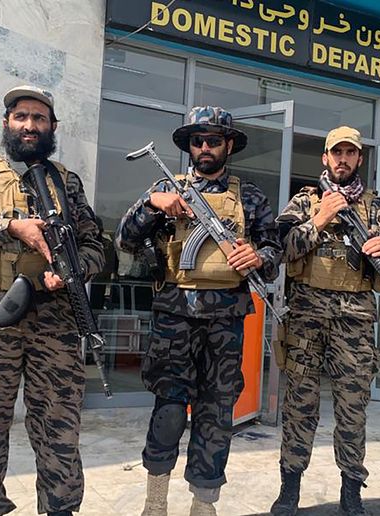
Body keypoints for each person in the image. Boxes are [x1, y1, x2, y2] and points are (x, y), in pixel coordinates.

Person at [0, 85, 104, 516]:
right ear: (7, 123)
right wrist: (9, 228)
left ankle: (61, 507)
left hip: (56, 318)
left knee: (60, 427)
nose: (30, 125)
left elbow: (98, 244)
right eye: (21, 117)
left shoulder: (67, 182)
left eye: (39, 119)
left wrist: (73, 269)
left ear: (52, 127)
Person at [116, 106, 281, 515]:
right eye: (197, 140)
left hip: (225, 322)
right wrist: (153, 204)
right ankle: (156, 501)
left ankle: (203, 502)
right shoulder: (167, 187)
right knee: (169, 410)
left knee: (217, 413)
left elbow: (276, 251)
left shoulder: (251, 197)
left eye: (213, 140)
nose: (204, 147)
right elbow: (124, 239)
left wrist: (257, 256)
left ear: (228, 145)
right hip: (174, 318)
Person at [270, 126, 380, 515]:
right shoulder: (304, 201)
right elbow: (279, 249)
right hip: (306, 318)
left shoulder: (378, 208)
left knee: (353, 406)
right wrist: (319, 220)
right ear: (325, 158)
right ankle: (290, 488)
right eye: (337, 153)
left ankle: (351, 489)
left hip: (356, 322)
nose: (343, 159)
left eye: (351, 153)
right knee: (300, 404)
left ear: (360, 158)